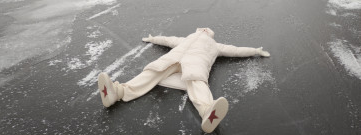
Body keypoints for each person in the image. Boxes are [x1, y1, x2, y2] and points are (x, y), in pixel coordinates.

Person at [98, 28, 270, 133]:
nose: (204, 30)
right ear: (197, 31)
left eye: (206, 30)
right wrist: (153, 39)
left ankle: (207, 111)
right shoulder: (185, 39)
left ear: (210, 35)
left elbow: (235, 50)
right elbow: (167, 40)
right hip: (172, 60)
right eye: (202, 29)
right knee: (151, 72)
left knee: (197, 83)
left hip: (196, 65)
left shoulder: (216, 46)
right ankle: (118, 92)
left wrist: (255, 50)